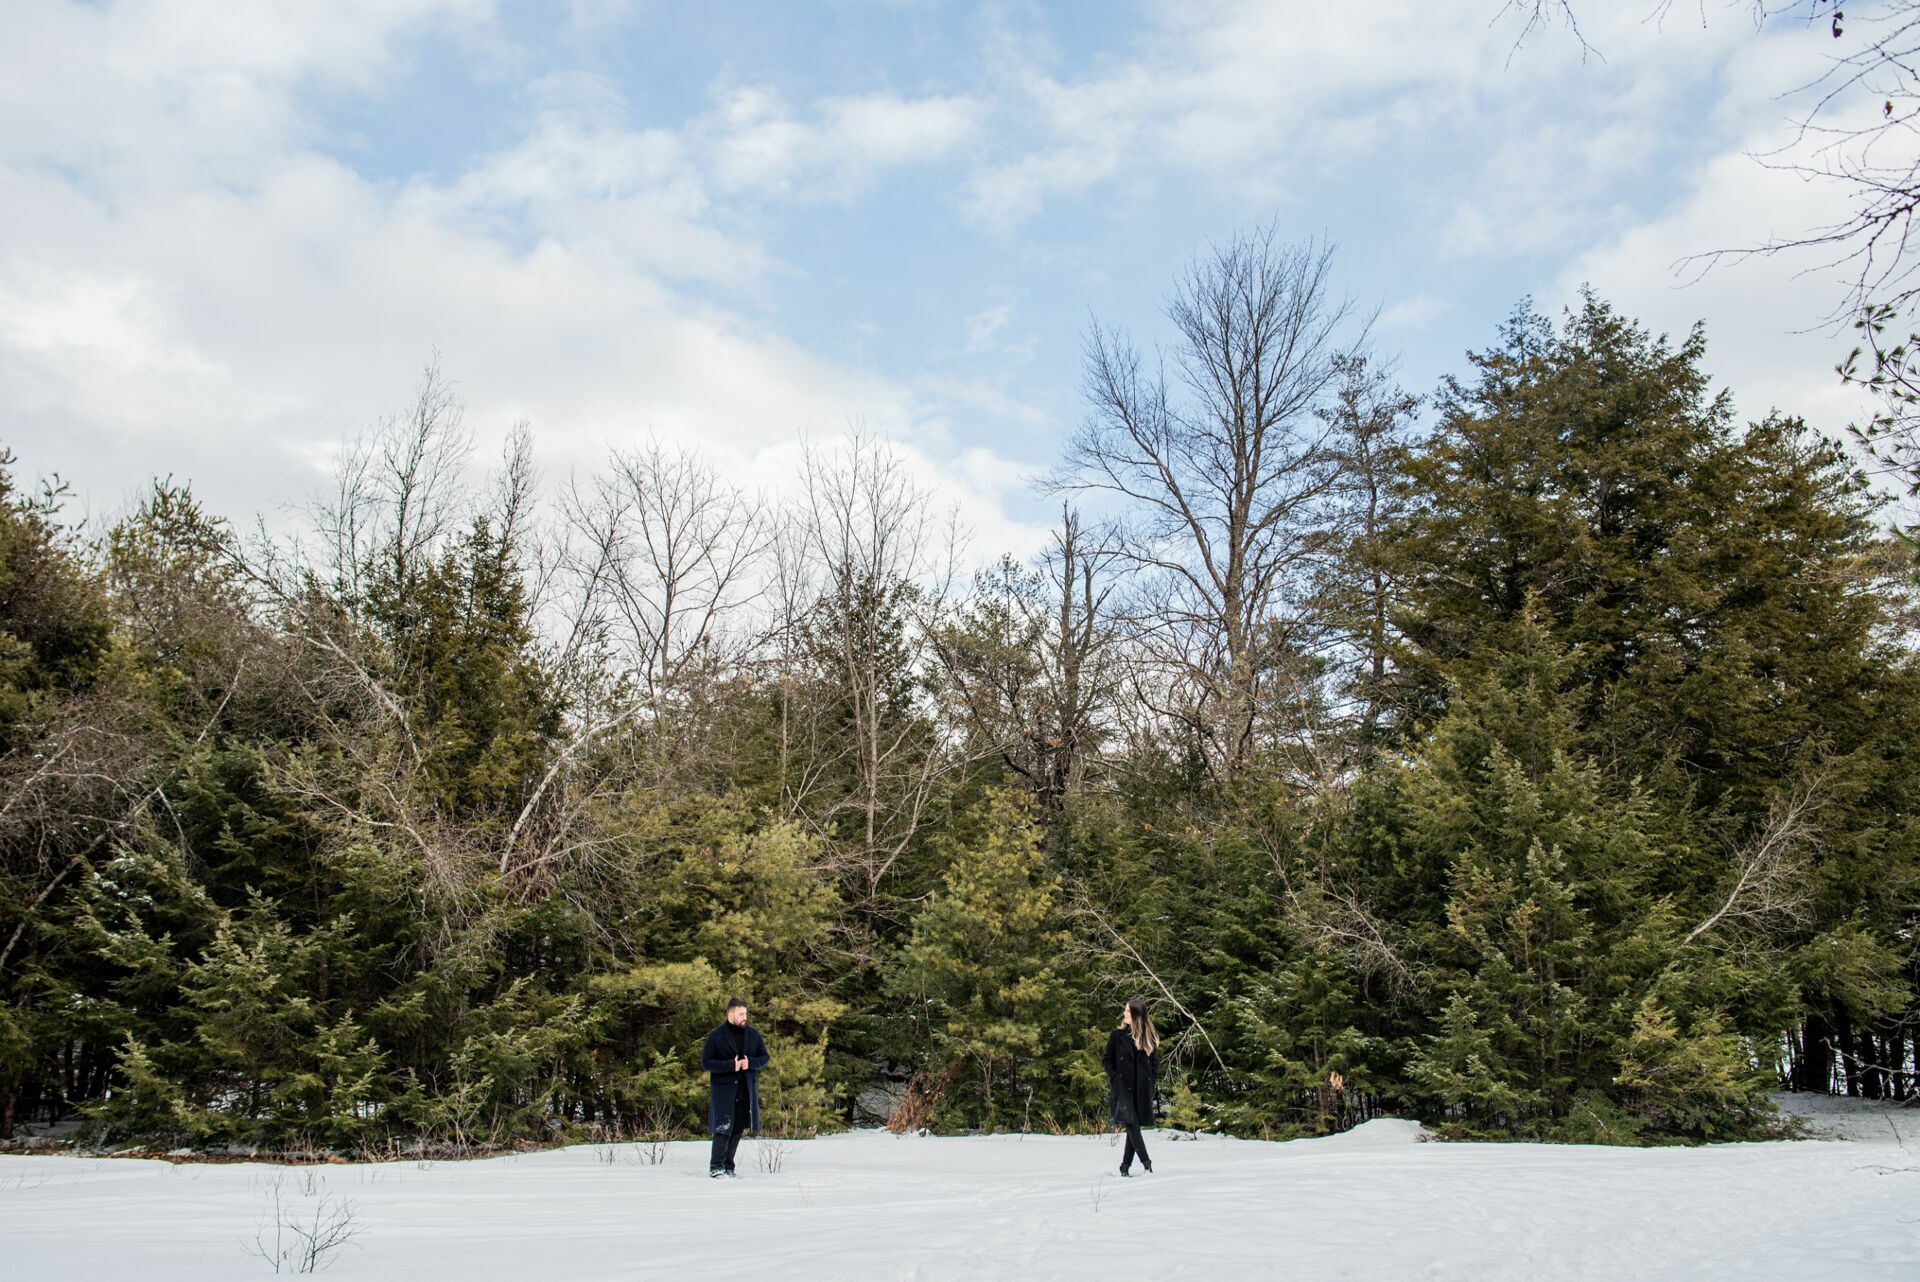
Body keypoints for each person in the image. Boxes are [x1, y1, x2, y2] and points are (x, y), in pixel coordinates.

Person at [700, 997, 770, 1178]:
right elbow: (706, 1063)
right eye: (741, 1013)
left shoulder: (753, 1035)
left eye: (745, 1013)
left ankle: (728, 1166)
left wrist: (750, 1063)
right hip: (723, 1091)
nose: (744, 1016)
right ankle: (716, 1167)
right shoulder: (716, 1036)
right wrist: (731, 1066)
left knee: (738, 1128)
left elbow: (764, 1057)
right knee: (723, 1128)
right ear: (730, 1014)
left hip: (745, 1090)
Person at [1101, 997, 1158, 1177]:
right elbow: (1107, 1059)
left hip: (1141, 1089)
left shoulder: (1148, 1037)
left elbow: (1155, 1064)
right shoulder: (1116, 1035)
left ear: (1136, 1015)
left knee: (1133, 1126)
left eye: (1127, 1011)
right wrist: (1114, 1077)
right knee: (1132, 1125)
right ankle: (1146, 1163)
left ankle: (1124, 1166)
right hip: (1123, 1089)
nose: (1124, 1013)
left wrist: (1151, 1083)